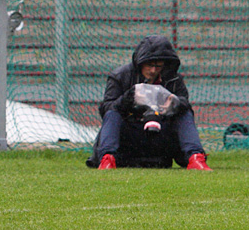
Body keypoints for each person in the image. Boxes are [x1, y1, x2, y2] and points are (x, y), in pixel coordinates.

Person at [87, 35, 211, 170]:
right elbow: (106, 109)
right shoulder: (120, 76)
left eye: (158, 66)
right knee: (112, 113)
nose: (153, 71)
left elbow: (185, 103)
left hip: (161, 135)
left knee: (184, 112)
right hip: (130, 135)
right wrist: (128, 98)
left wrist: (175, 104)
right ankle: (107, 159)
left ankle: (196, 158)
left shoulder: (174, 79)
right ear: (140, 63)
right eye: (150, 65)